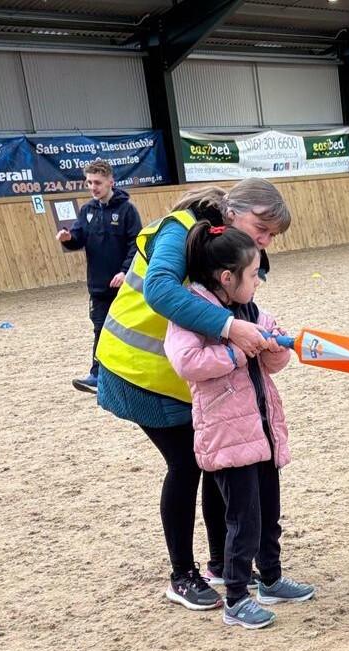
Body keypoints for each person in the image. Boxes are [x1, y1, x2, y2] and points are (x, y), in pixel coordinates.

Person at [95, 179, 292, 611]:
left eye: (272, 236)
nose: (265, 240)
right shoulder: (180, 228)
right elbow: (161, 289)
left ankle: (221, 563)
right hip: (139, 370)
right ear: (235, 208)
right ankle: (182, 574)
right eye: (263, 228)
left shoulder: (224, 244)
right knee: (186, 464)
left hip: (188, 378)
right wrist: (230, 330)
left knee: (215, 460)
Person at [165, 221, 315, 629]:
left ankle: (271, 578)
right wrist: (237, 353)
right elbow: (186, 363)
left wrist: (272, 345)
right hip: (227, 438)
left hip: (262, 432)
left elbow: (276, 361)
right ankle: (235, 598)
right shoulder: (191, 314)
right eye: (253, 276)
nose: (258, 283)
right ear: (227, 277)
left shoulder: (251, 311)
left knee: (269, 514)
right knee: (242, 521)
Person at [56, 159, 142, 394]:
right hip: (98, 286)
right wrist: (68, 239)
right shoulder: (87, 211)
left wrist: (125, 272)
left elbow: (137, 245)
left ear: (111, 182)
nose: (93, 187)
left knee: (127, 330)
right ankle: (96, 375)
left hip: (124, 285)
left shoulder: (127, 211)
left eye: (97, 182)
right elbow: (78, 238)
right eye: (89, 182)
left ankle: (130, 376)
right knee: (100, 329)